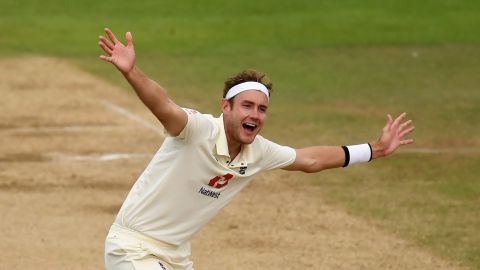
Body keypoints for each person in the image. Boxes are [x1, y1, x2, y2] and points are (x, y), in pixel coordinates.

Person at [98, 28, 415, 270]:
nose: (255, 114)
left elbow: (310, 159)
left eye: (262, 109)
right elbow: (163, 105)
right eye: (247, 105)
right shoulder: (197, 130)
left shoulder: (258, 151)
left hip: (175, 255)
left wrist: (374, 149)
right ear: (226, 107)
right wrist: (130, 71)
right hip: (133, 247)